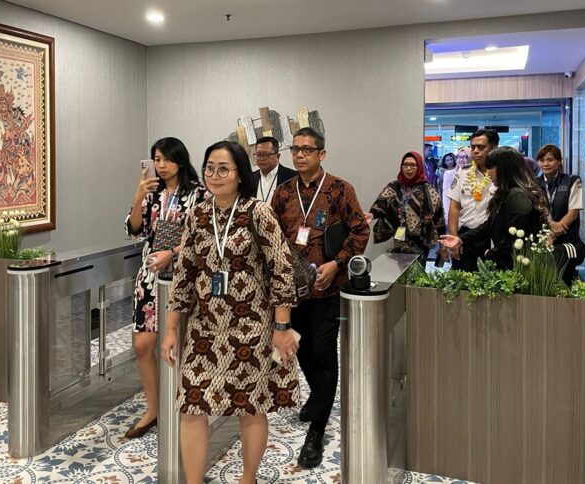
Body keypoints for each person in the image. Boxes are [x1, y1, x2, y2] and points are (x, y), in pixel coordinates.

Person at [160, 141, 300, 484]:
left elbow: (282, 269)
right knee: (192, 404)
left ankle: (247, 477)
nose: (215, 175)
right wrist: (170, 328)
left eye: (224, 168)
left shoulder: (257, 213)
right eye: (210, 168)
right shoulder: (197, 214)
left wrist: (281, 328)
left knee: (249, 406)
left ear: (240, 174)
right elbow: (185, 273)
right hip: (206, 327)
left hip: (250, 327)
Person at [271, 127, 370, 469]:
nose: (300, 156)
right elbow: (271, 238)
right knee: (300, 349)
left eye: (307, 150)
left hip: (327, 287)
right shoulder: (283, 193)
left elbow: (360, 229)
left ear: (321, 154)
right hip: (293, 291)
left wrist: (337, 263)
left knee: (323, 351)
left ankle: (316, 430)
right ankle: (319, 395)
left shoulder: (341, 189)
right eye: (296, 150)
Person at [124, 137, 208, 438]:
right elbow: (135, 230)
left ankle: (187, 407)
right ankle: (153, 408)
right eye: (156, 159)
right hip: (150, 276)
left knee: (181, 346)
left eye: (166, 159)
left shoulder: (199, 194)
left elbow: (204, 237)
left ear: (180, 161)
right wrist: (137, 197)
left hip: (184, 277)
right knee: (142, 344)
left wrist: (172, 253)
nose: (160, 166)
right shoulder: (152, 193)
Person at [440, 147, 548, 270]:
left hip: (518, 264)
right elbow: (488, 226)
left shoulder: (517, 195)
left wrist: (491, 253)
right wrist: (460, 239)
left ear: (503, 169)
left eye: (491, 168)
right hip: (508, 261)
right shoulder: (506, 193)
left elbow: (513, 236)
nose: (488, 172)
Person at [369, 151, 444, 255]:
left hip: (421, 242)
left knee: (417, 270)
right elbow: (382, 202)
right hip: (399, 239)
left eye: (413, 165)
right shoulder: (395, 186)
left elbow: (438, 218)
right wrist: (372, 214)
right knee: (400, 268)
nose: (408, 169)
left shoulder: (427, 190)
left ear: (419, 167)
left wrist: (442, 245)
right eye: (406, 165)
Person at [446, 128, 499, 271]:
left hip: (490, 239)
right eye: (473, 147)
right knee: (461, 284)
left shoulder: (500, 175)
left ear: (494, 148)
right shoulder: (463, 173)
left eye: (481, 147)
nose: (475, 151)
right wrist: (454, 238)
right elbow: (454, 207)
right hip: (465, 236)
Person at [536, 144, 585, 284]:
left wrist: (555, 232)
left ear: (559, 161)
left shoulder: (572, 180)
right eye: (541, 160)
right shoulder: (534, 183)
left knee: (564, 280)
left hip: (567, 241)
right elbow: (538, 209)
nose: (545, 164)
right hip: (543, 241)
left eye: (550, 160)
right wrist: (551, 226)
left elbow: (574, 212)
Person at [252, 136, 296, 204]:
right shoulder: (250, 179)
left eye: (266, 154)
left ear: (278, 156)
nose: (262, 158)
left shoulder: (293, 177)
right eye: (259, 155)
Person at [441, 147, 470, 229]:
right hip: (454, 214)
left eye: (465, 157)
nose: (461, 160)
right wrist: (447, 215)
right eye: (459, 157)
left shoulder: (475, 174)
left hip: (471, 216)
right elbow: (446, 195)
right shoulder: (449, 174)